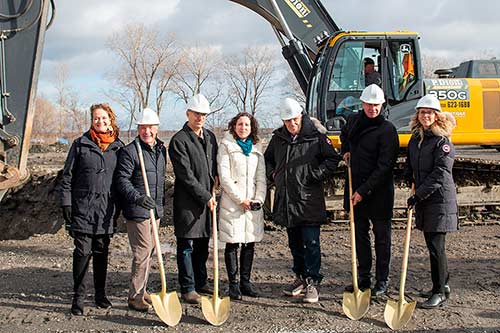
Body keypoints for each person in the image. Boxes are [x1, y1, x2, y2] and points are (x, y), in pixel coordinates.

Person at [264, 97, 340, 303]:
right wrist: (273, 175)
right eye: (287, 121)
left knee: (311, 243)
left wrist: (316, 174)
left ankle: (312, 281)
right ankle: (300, 277)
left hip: (308, 199)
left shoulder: (316, 137)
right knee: (294, 243)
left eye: (295, 120)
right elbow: (268, 158)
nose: (292, 124)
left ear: (301, 116)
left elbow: (333, 159)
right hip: (287, 201)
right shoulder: (278, 139)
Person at [59, 103, 124, 316]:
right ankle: (78, 297)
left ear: (110, 120)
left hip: (106, 210)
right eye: (96, 118)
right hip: (83, 208)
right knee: (82, 252)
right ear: (91, 121)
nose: (100, 122)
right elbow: (67, 177)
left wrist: (121, 207)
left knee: (101, 252)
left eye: (104, 118)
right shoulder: (80, 144)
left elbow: (122, 180)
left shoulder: (119, 147)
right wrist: (66, 203)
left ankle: (100, 295)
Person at [340, 84, 399, 297]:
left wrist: (363, 191)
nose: (373, 108)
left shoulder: (387, 130)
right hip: (356, 188)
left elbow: (385, 167)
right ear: (363, 104)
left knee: (382, 239)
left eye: (376, 105)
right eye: (369, 104)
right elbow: (344, 134)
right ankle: (363, 278)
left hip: (379, 193)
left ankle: (382, 280)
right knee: (360, 236)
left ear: (382, 105)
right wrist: (345, 150)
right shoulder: (353, 122)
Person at [404, 94, 458, 309]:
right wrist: (409, 175)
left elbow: (441, 173)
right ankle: (442, 285)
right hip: (426, 198)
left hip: (439, 200)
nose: (425, 116)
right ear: (417, 115)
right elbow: (411, 162)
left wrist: (418, 195)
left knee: (437, 247)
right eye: (422, 112)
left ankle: (439, 292)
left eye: (430, 113)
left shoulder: (442, 142)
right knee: (432, 245)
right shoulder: (416, 139)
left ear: (437, 116)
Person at [114, 108, 167, 312]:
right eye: (143, 127)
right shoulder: (130, 151)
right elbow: (121, 180)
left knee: (150, 251)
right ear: (138, 129)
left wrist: (158, 205)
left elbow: (160, 180)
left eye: (151, 127)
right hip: (137, 211)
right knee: (142, 252)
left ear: (156, 128)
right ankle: (134, 296)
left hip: (155, 209)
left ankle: (142, 289)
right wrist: (138, 198)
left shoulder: (161, 149)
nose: (147, 131)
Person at [168, 93, 218, 304]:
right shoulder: (179, 140)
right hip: (188, 203)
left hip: (207, 201)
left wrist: (216, 178)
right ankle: (187, 287)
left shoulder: (210, 137)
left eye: (203, 115)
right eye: (196, 114)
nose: (200, 118)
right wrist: (205, 195)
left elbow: (213, 162)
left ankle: (201, 281)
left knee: (202, 245)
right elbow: (185, 175)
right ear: (188, 113)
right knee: (187, 245)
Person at [217, 112, 267, 300]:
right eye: (240, 124)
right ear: (234, 126)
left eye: (247, 125)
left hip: (252, 204)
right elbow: (225, 177)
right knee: (232, 243)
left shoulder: (256, 147)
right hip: (233, 203)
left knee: (249, 243)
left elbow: (261, 177)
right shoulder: (226, 146)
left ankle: (246, 282)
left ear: (251, 127)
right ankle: (234, 284)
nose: (243, 128)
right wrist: (240, 200)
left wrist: (258, 199)